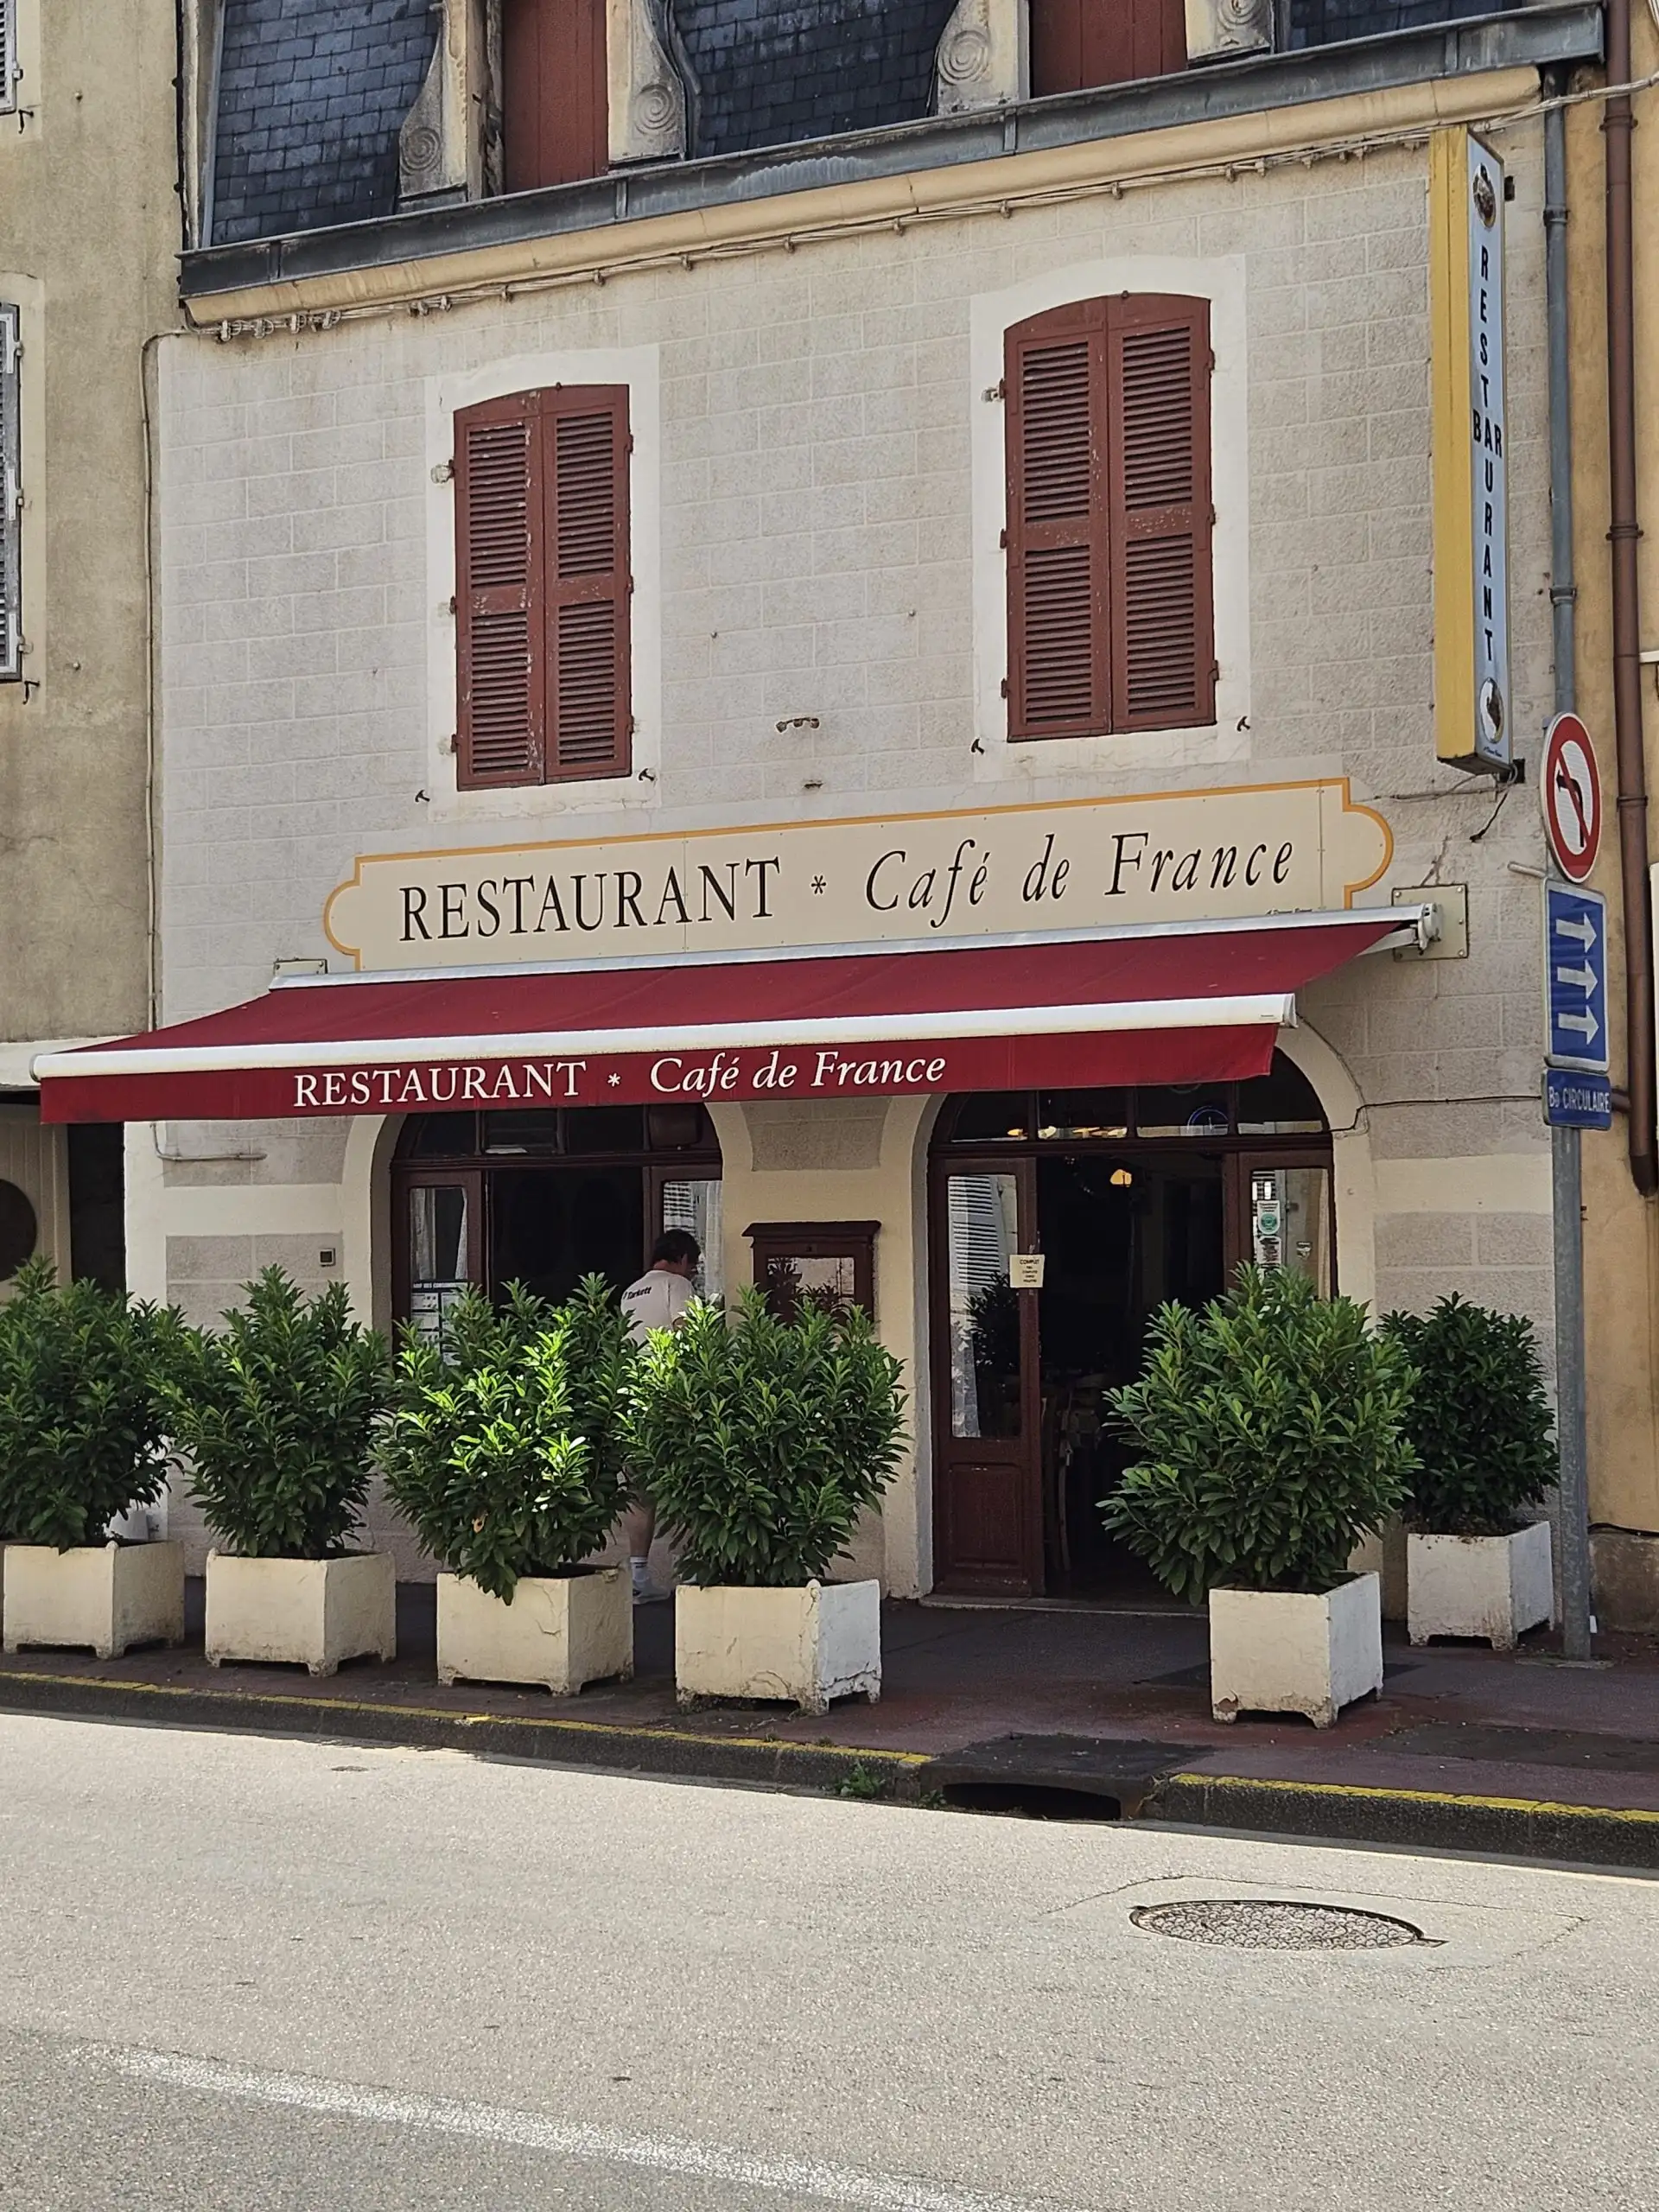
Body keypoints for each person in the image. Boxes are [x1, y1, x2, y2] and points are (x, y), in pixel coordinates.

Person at [618, 1229, 702, 1602]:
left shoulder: (629, 1292)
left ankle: (638, 1577)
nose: (692, 1272)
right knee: (694, 1486)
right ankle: (702, 1571)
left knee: (640, 1494)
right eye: (693, 1266)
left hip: (633, 1401)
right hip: (670, 1400)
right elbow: (688, 1337)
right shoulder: (677, 1286)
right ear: (683, 1259)